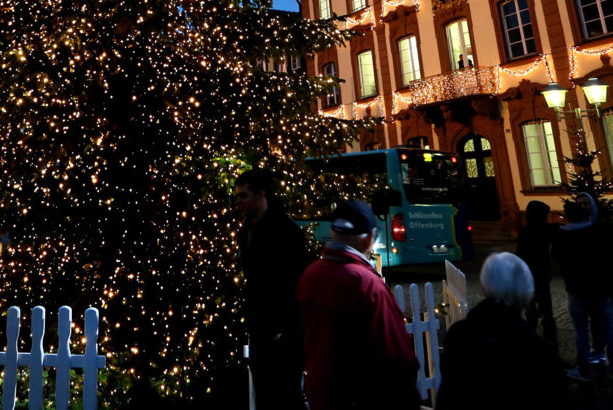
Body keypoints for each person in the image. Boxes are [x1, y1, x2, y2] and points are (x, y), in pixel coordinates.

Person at [296, 200, 417, 410]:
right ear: (369, 238)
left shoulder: (310, 275)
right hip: (364, 398)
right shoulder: (367, 285)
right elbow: (396, 356)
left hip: (322, 397)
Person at [437, 252, 569, 407]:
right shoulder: (539, 351)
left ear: (486, 287)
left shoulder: (458, 335)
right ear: (527, 296)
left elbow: (447, 396)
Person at [234, 169, 311, 410]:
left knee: (286, 396)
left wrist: (285, 327)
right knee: (266, 395)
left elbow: (298, 282)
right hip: (261, 329)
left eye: (244, 196)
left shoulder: (286, 233)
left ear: (261, 195)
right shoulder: (246, 232)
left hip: (283, 333)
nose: (239, 202)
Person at [552, 193, 613, 387]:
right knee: (610, 330)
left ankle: (584, 369)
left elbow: (557, 258)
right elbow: (609, 257)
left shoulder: (561, 234)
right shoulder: (597, 231)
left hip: (577, 290)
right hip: (600, 289)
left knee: (581, 332)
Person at [515, 200, 556, 343]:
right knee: (545, 314)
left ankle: (531, 343)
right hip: (539, 275)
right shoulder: (544, 230)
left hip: (532, 276)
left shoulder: (526, 231)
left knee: (533, 314)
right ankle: (548, 344)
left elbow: (520, 255)